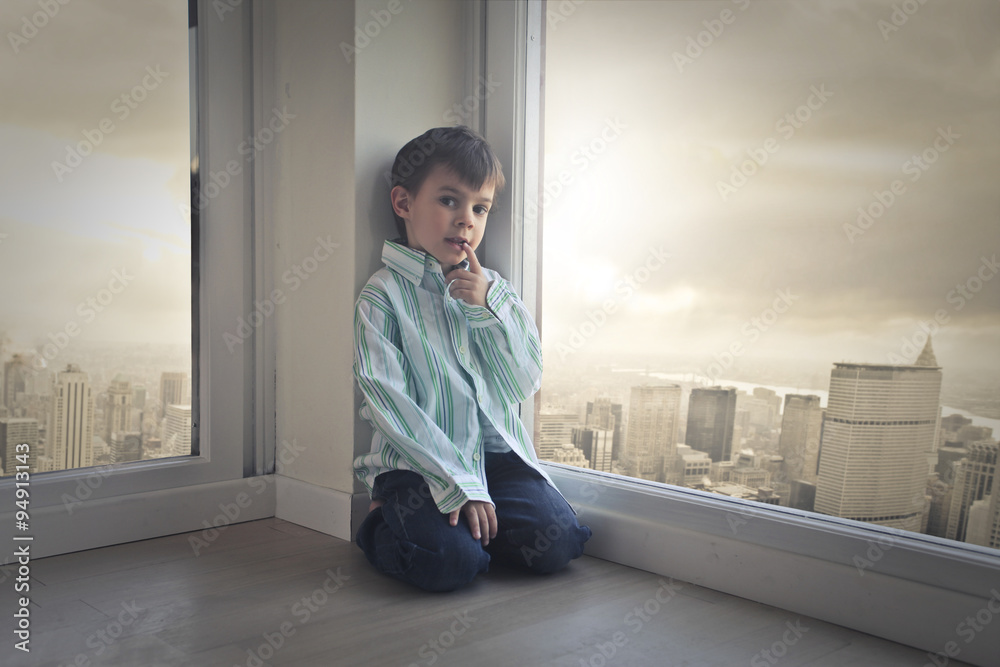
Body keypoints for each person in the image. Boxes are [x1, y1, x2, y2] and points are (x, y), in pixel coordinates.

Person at [353, 126, 592, 592]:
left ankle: (469, 535)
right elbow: (390, 403)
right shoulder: (382, 297)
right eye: (448, 201)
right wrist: (455, 480)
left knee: (558, 542)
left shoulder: (496, 293)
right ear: (403, 204)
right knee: (446, 565)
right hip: (419, 466)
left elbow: (523, 382)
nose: (467, 220)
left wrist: (488, 312)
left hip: (495, 458)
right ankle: (384, 528)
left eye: (479, 208)